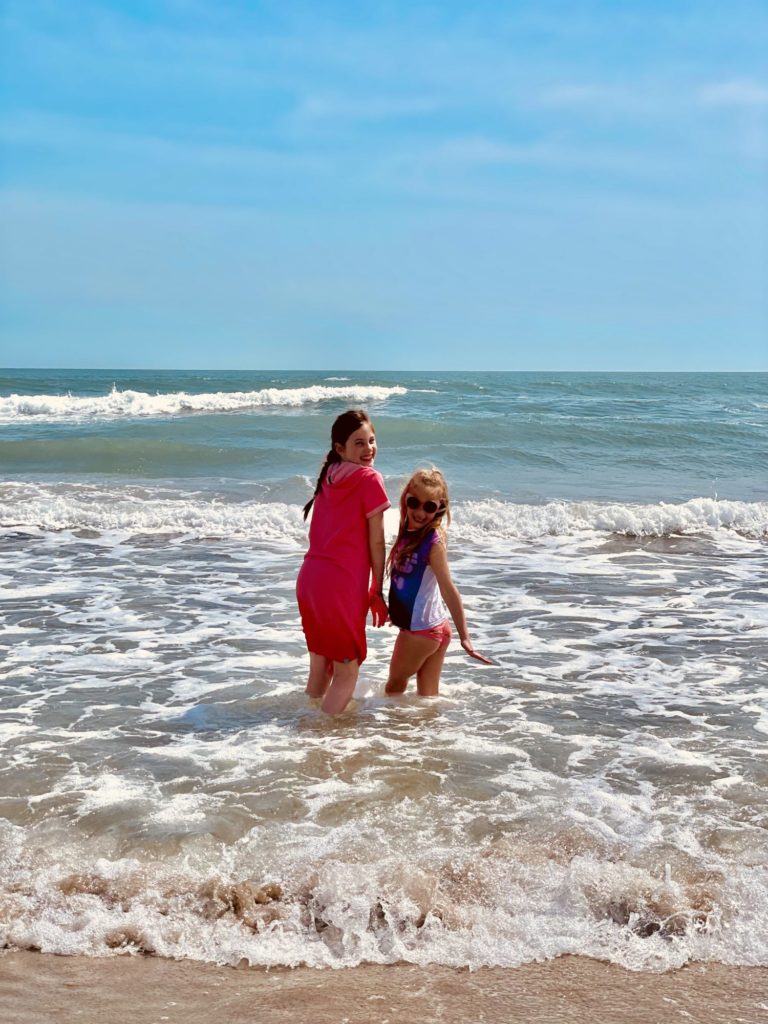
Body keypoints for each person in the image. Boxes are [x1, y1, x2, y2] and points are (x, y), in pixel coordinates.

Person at [297, 409, 390, 715]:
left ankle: (304, 722)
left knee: (321, 668)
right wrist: (377, 588)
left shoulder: (329, 475)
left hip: (310, 582)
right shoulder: (369, 479)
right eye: (359, 443)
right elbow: (377, 541)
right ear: (340, 448)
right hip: (339, 587)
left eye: (372, 441)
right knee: (346, 672)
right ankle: (320, 740)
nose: (369, 449)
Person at [385, 467, 492, 697]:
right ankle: (430, 732)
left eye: (429, 506)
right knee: (428, 698)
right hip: (435, 628)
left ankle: (389, 733)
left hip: (421, 631)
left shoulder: (432, 542)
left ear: (440, 507)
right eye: (415, 502)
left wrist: (465, 636)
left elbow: (448, 588)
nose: (420, 512)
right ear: (406, 498)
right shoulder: (409, 530)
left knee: (394, 686)